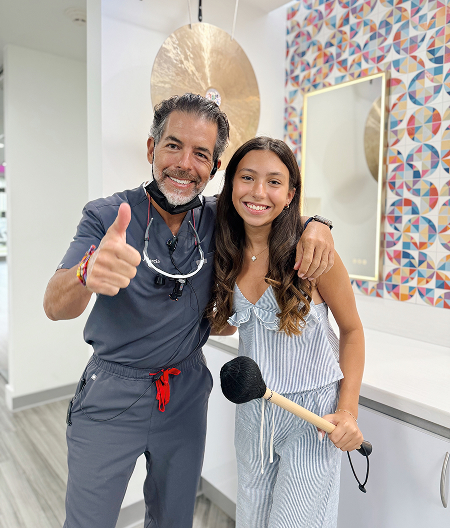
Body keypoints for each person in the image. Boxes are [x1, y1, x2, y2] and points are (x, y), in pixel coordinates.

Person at [43, 94, 336, 528]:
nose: (185, 164)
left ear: (214, 167)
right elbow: (54, 304)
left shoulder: (221, 218)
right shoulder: (107, 216)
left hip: (184, 393)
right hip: (112, 393)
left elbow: (273, 210)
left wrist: (318, 225)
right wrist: (87, 272)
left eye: (200, 153)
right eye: (173, 146)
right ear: (151, 148)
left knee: (174, 519)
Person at [208, 136, 365, 528]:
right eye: (247, 177)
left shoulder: (313, 255)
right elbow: (232, 322)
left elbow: (352, 331)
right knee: (252, 520)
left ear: (291, 193)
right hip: (253, 413)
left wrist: (347, 411)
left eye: (274, 182)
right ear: (231, 184)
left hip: (312, 418)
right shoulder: (225, 251)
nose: (259, 192)